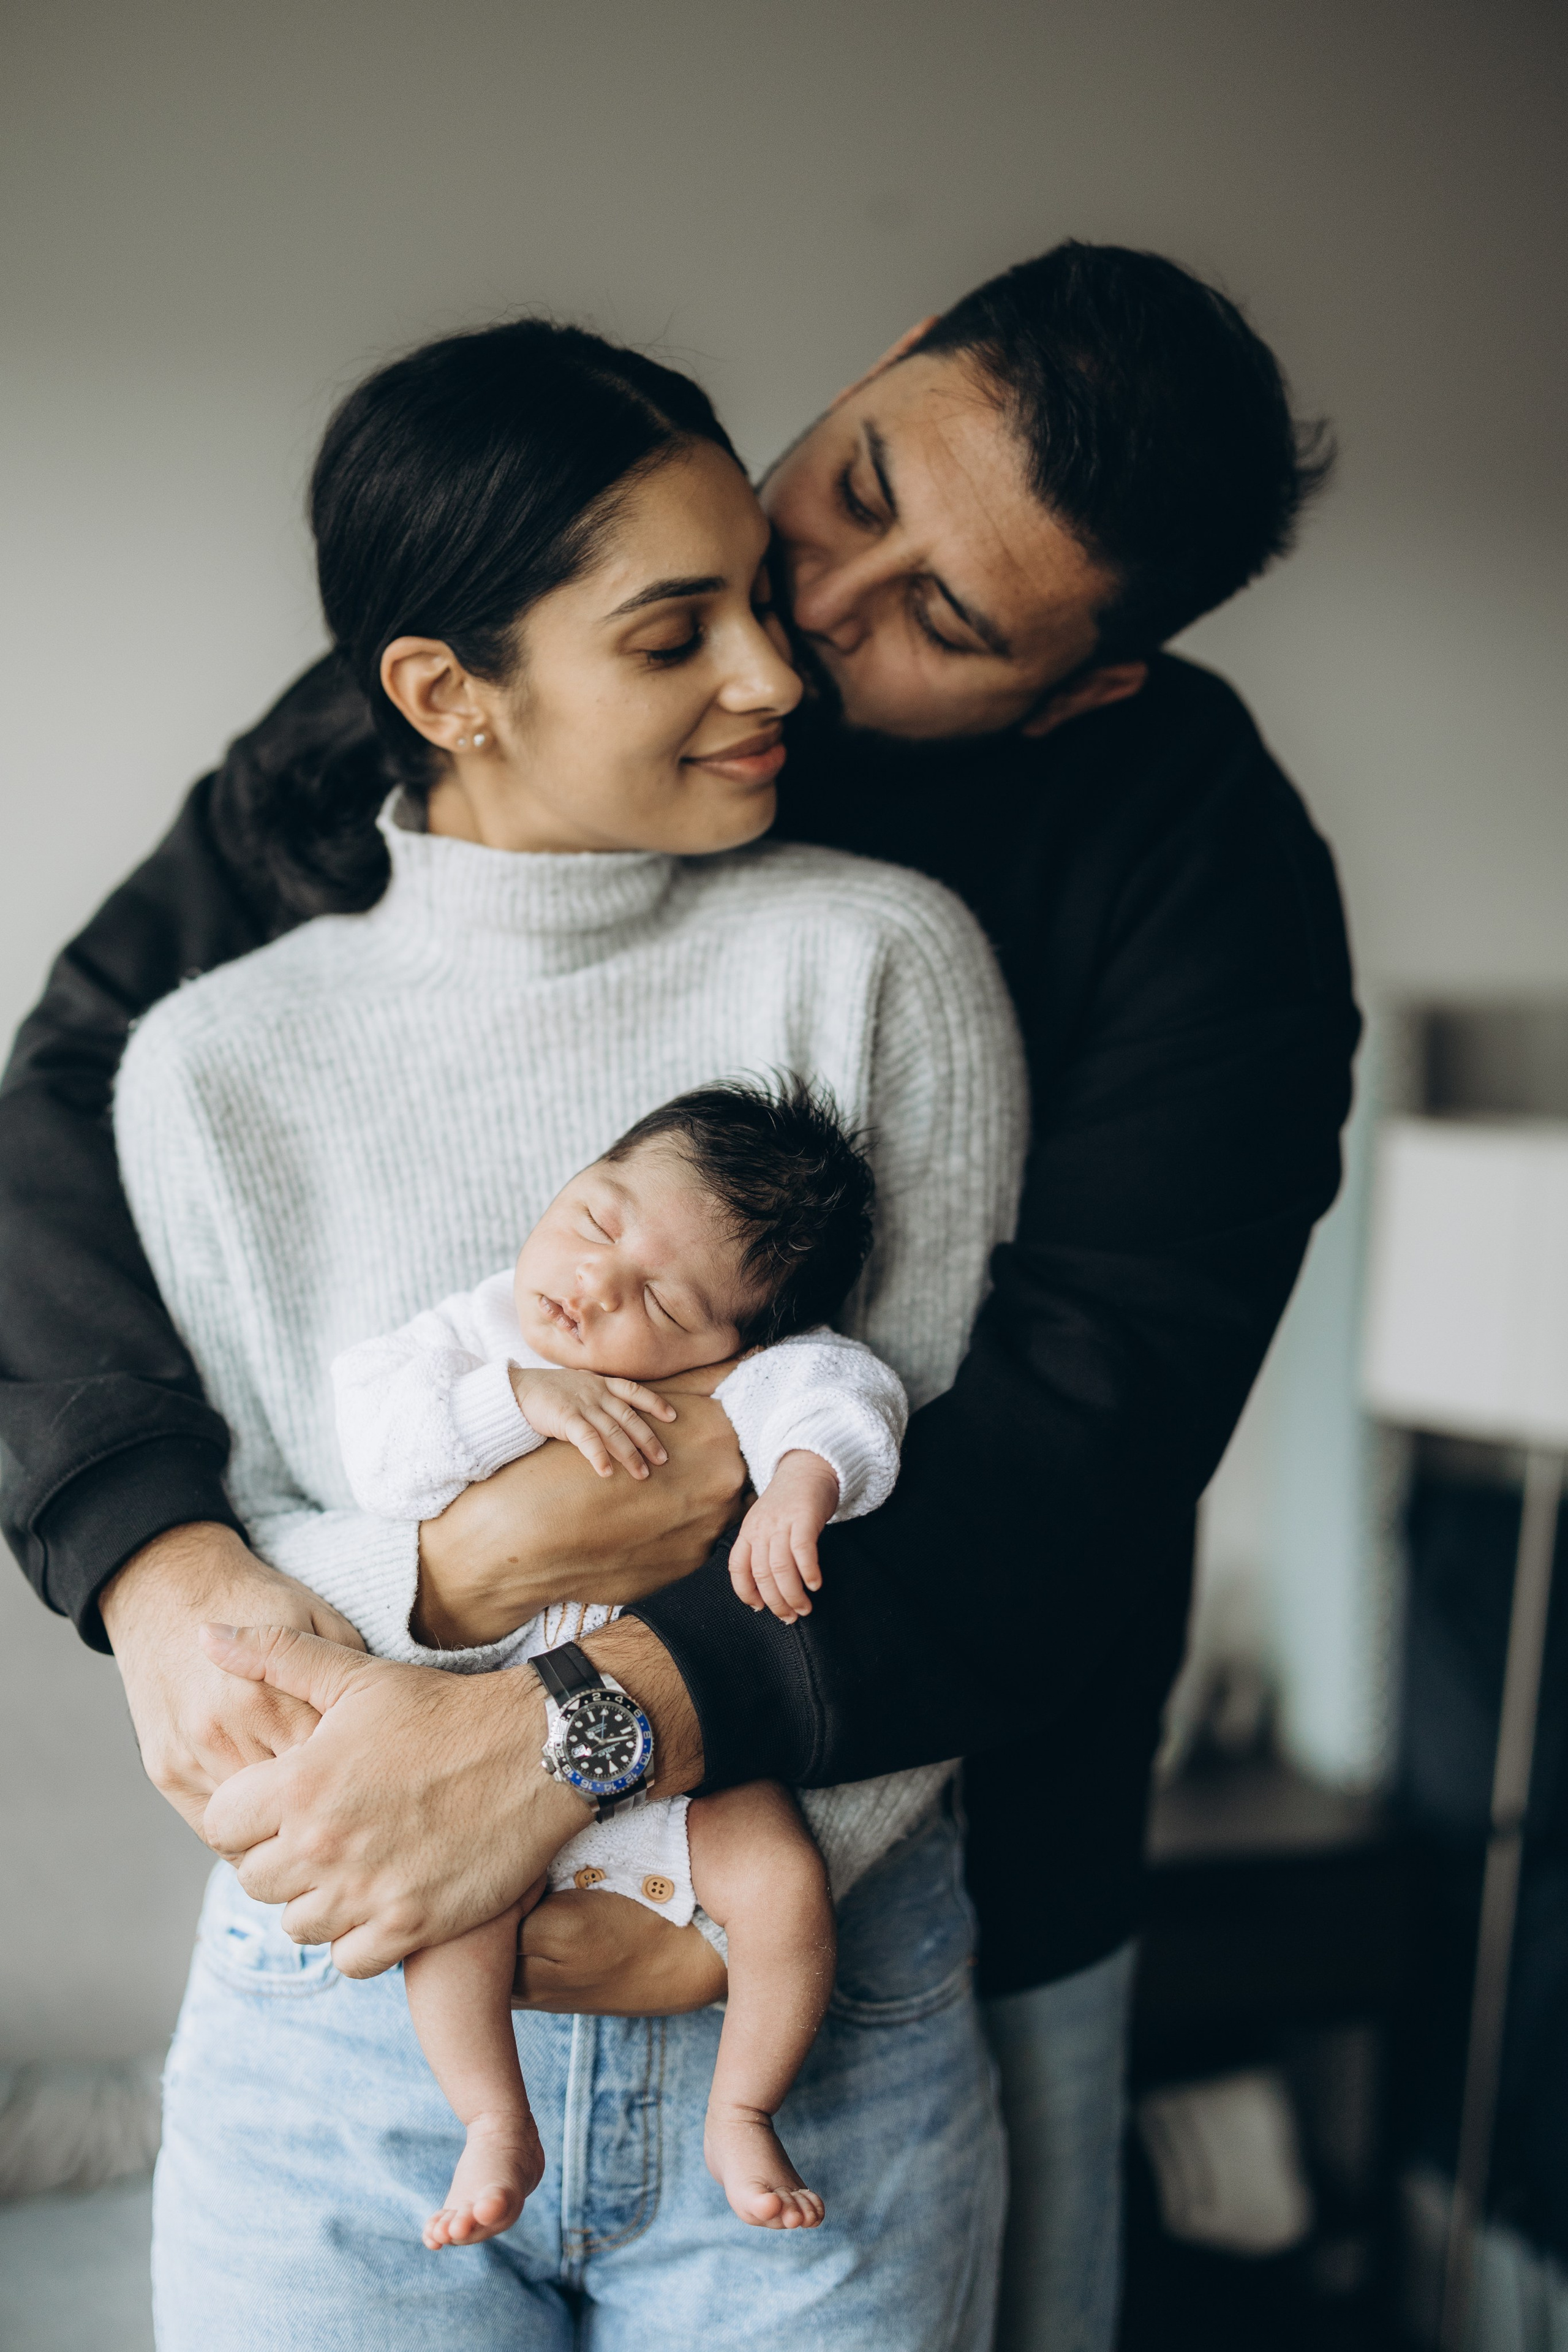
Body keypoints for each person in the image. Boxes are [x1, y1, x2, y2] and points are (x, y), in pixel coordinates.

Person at [0, 242, 1360, 2351]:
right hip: (375, 1944)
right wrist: (158, 1558)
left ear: (1084, 684)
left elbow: (1061, 1461)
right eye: (862, 485)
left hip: (939, 1871)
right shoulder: (429, 704)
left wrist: (567, 1740)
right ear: (890, 353)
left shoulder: (1183, 879)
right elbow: (77, 1098)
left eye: (942, 621)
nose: (810, 627)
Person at [98, 312, 1026, 2347]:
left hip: (810, 1987)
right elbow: (267, 1563)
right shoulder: (209, 1068)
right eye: (673, 633)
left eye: (760, 607)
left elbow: (931, 1521)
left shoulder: (875, 969)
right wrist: (458, 1578)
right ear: (447, 692)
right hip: (351, 2023)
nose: (780, 675)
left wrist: (731, 1918)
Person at [258, 1078, 917, 2246]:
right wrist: (518, 1399)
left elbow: (849, 1391)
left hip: (683, 1771)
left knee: (779, 1880)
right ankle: (491, 2119)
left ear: (735, 1337)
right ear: (573, 1181)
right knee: (455, 1908)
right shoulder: (471, 1340)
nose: (598, 1283)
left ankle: (745, 2106)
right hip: (477, 1753)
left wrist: (806, 1481)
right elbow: (384, 1455)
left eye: (661, 1299)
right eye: (598, 1220)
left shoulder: (744, 1379)